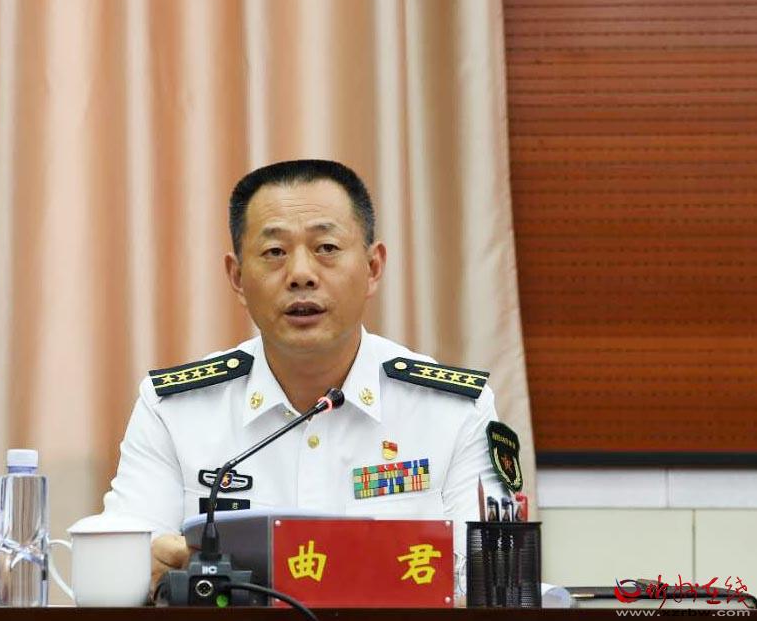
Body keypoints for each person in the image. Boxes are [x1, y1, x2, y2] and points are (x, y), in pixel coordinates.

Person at [101, 159, 515, 598]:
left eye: (327, 248)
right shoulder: (174, 411)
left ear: (373, 267)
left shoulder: (453, 411)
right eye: (274, 252)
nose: (301, 274)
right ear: (237, 278)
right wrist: (149, 570)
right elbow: (120, 572)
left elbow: (494, 585)